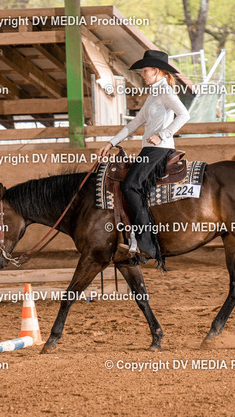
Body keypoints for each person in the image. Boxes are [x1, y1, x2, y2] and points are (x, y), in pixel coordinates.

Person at [98, 50, 190, 264]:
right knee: (131, 184)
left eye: (145, 70)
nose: (142, 74)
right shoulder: (154, 94)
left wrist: (163, 135)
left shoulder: (165, 91)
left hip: (159, 149)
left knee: (131, 186)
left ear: (156, 71)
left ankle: (146, 243)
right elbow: (134, 123)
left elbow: (184, 114)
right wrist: (111, 143)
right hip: (150, 150)